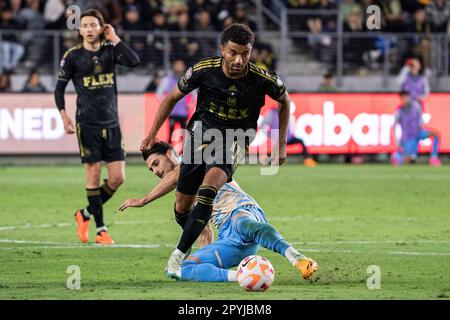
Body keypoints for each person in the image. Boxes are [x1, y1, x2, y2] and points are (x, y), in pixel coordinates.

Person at [140, 23, 290, 278]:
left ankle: (177, 256)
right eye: (233, 52)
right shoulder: (203, 71)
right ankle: (202, 234)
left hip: (234, 139)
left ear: (251, 51)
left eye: (245, 53)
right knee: (181, 205)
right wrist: (152, 133)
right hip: (200, 136)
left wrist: (281, 142)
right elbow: (170, 99)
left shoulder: (262, 79)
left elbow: (285, 101)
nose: (239, 59)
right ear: (222, 49)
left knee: (209, 190)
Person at [118, 142, 318, 282]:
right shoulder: (186, 195)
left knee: (244, 224)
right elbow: (205, 231)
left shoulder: (193, 162)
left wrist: (143, 200)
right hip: (230, 240)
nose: (155, 171)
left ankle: (297, 258)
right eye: (151, 170)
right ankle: (243, 276)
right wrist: (205, 250)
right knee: (182, 269)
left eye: (156, 163)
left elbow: (176, 175)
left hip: (242, 210)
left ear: (170, 154)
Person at [54, 9, 139, 244]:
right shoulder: (72, 56)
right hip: (87, 124)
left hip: (112, 123)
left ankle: (85, 214)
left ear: (102, 28)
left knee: (117, 178)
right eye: (85, 25)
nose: (89, 29)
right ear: (80, 30)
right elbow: (59, 89)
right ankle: (101, 230)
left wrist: (116, 39)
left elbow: (134, 62)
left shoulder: (111, 52)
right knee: (93, 174)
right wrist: (64, 116)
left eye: (93, 25)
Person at [391, 90, 441, 167]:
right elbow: (394, 127)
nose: (405, 99)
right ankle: (397, 156)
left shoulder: (416, 107)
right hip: (408, 138)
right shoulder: (399, 111)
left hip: (418, 133)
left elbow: (420, 117)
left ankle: (434, 158)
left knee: (435, 134)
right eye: (403, 97)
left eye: (406, 97)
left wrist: (421, 125)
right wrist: (397, 143)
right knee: (408, 160)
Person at [156, 59, 191, 143]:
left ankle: (183, 154)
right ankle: (169, 152)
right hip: (172, 112)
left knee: (183, 135)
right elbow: (158, 93)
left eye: (181, 65)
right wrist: (165, 104)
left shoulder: (187, 79)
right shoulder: (167, 79)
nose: (179, 67)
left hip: (183, 113)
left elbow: (194, 94)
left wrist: (190, 104)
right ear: (173, 66)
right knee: (170, 134)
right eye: (178, 65)